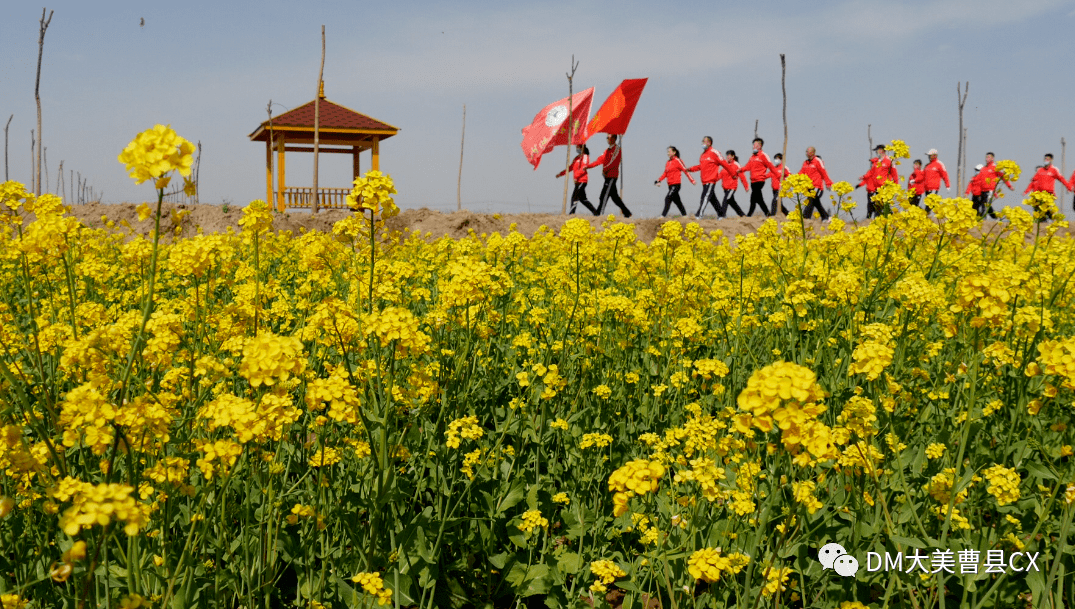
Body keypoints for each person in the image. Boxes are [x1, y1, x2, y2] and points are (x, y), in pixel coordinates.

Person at [587, 134, 632, 217]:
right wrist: (588, 166)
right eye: (606, 137)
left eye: (609, 137)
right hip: (607, 176)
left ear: (614, 138)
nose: (607, 139)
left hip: (612, 176)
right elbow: (599, 160)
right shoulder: (607, 150)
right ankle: (627, 212)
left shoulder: (617, 149)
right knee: (615, 198)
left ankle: (599, 213)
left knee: (604, 195)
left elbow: (614, 163)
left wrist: (605, 169)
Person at [687, 136, 732, 217]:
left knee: (704, 197)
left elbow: (724, 163)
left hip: (711, 180)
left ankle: (698, 215)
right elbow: (701, 166)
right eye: (702, 142)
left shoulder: (714, 152)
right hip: (704, 181)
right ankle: (722, 215)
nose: (703, 143)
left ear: (709, 143)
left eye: (704, 142)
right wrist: (690, 169)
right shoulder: (703, 155)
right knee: (712, 199)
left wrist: (733, 174)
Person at [739, 137, 779, 216]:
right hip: (753, 181)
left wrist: (778, 175)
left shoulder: (763, 155)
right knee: (757, 199)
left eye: (755, 145)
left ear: (760, 146)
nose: (753, 146)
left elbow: (770, 166)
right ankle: (767, 214)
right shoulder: (752, 156)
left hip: (760, 180)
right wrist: (740, 170)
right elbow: (747, 167)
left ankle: (749, 215)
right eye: (753, 145)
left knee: (754, 198)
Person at [556, 145, 598, 215]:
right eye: (576, 147)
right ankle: (596, 213)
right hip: (577, 182)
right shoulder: (576, 158)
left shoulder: (585, 157)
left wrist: (576, 176)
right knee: (583, 200)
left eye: (578, 147)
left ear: (582, 148)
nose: (577, 149)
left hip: (582, 180)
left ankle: (571, 214)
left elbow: (583, 168)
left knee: (574, 197)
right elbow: (571, 168)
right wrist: (561, 173)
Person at [655, 146, 695, 216]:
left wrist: (692, 180)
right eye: (667, 152)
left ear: (674, 152)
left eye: (669, 151)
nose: (667, 153)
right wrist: (659, 180)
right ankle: (685, 216)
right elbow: (665, 173)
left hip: (676, 185)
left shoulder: (678, 161)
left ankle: (662, 216)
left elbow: (685, 170)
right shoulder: (668, 162)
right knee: (677, 202)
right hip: (670, 185)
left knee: (668, 198)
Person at [799, 146, 833, 219]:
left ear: (813, 153)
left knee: (810, 200)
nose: (807, 153)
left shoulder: (817, 161)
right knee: (816, 203)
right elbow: (801, 172)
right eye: (806, 151)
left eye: (809, 151)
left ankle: (805, 218)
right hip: (809, 186)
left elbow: (823, 172)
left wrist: (828, 183)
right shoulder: (806, 163)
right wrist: (795, 179)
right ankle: (826, 217)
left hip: (817, 186)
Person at [978, 152, 1012, 219]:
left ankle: (983, 219)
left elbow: (1003, 176)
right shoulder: (983, 169)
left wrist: (1009, 185)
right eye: (986, 157)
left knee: (985, 205)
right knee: (983, 204)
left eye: (989, 157)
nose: (987, 158)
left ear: (992, 158)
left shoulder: (995, 168)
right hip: (982, 190)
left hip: (990, 190)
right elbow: (979, 179)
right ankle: (995, 217)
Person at [719, 150, 746, 217]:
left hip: (732, 187)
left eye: (729, 155)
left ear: (733, 156)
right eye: (727, 155)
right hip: (725, 187)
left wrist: (746, 186)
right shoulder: (725, 165)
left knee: (726, 199)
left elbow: (742, 175)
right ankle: (742, 215)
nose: (727, 157)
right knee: (732, 202)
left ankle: (722, 216)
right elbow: (720, 175)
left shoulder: (736, 165)